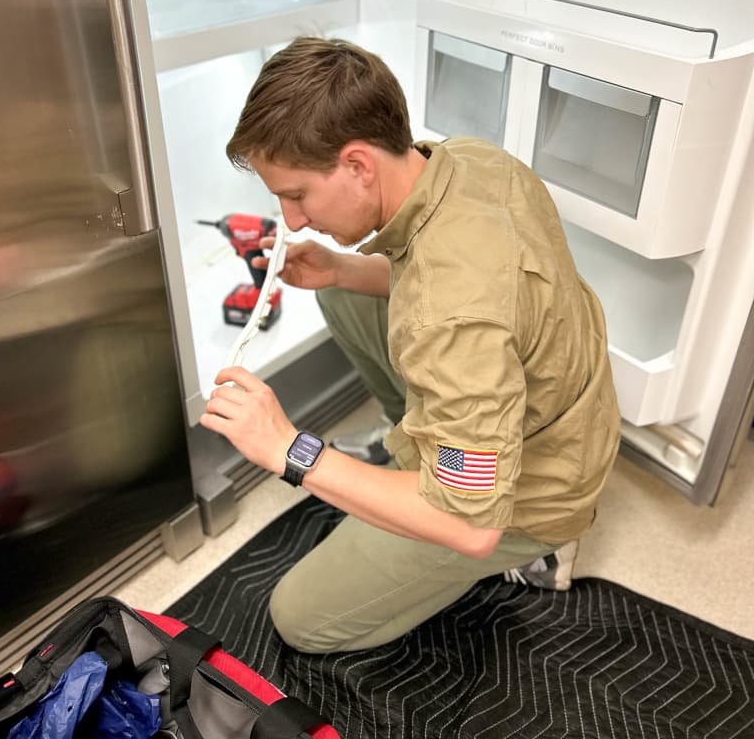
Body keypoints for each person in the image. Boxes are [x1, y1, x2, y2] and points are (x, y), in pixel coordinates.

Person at [200, 37, 621, 653]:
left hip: (534, 488)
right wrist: (343, 271)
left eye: (296, 195)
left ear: (358, 165)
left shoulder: (450, 318)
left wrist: (290, 449)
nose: (290, 220)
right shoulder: (471, 160)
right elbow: (480, 297)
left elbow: (471, 524)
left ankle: (541, 544)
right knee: (344, 292)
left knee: (299, 619)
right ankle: (426, 450)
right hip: (567, 406)